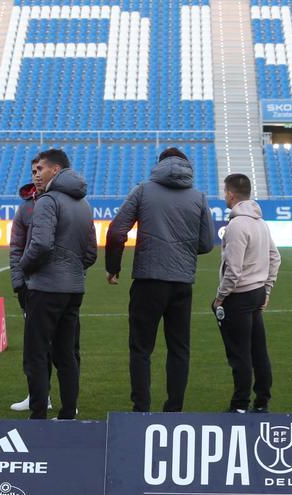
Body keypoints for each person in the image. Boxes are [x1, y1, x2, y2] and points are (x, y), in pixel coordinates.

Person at [106, 147, 214, 413]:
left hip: (148, 281)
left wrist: (113, 267)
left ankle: (141, 408)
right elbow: (207, 243)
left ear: (159, 164)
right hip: (181, 283)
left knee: (141, 349)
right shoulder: (199, 197)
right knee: (179, 349)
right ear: (186, 166)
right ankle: (173, 410)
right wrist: (183, 251)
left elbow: (117, 230)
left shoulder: (143, 190)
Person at [19, 149, 96, 420]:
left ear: (55, 170)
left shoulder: (48, 202)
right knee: (67, 355)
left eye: (40, 169)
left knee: (36, 354)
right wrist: (73, 270)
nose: (36, 174)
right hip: (74, 289)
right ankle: (67, 415)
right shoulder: (85, 204)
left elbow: (40, 245)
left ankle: (38, 415)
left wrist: (24, 267)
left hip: (46, 288)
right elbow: (91, 253)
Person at [213, 173, 281, 413]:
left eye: (224, 192)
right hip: (257, 292)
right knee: (258, 351)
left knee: (239, 354)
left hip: (239, 296)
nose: (224, 196)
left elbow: (233, 269)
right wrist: (268, 288)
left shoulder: (236, 225)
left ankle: (240, 404)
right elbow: (275, 257)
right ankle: (262, 401)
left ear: (231, 194)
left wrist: (221, 296)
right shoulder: (260, 222)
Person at [8, 159, 52, 412]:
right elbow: (16, 248)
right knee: (35, 347)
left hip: (59, 286)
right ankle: (39, 395)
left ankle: (68, 402)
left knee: (63, 348)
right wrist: (19, 283)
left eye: (40, 170)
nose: (36, 175)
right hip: (31, 287)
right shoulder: (25, 208)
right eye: (33, 171)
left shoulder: (65, 202)